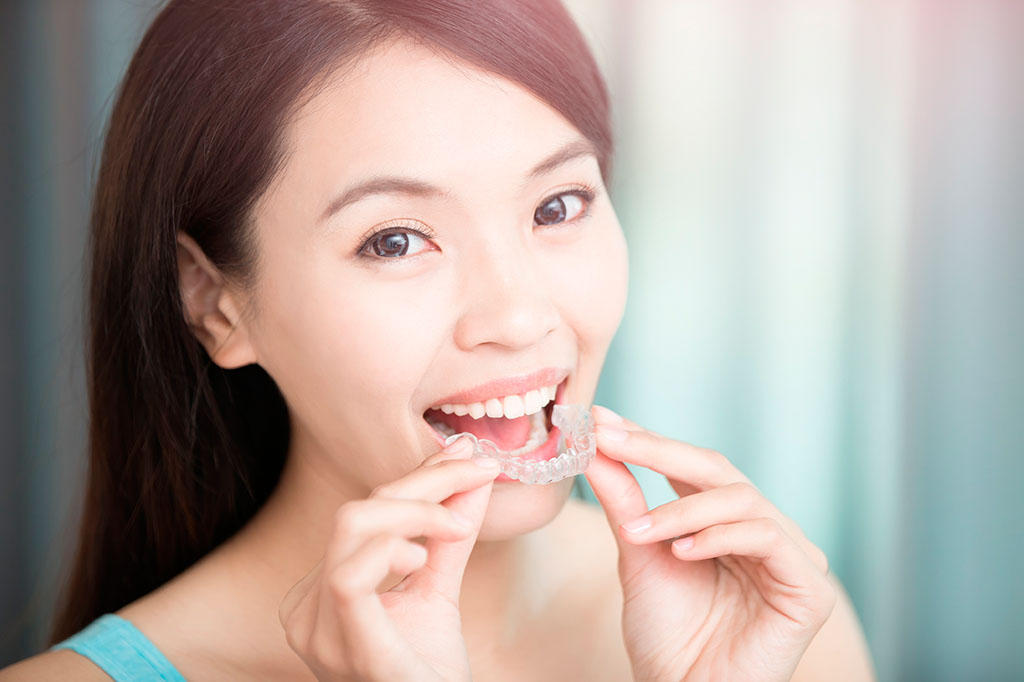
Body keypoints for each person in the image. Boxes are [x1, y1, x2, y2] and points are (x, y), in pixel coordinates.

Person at [0, 0, 876, 680]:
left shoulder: (772, 624)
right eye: (395, 241)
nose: (519, 317)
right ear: (217, 305)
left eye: (557, 206)